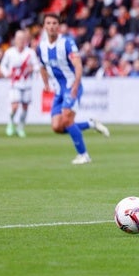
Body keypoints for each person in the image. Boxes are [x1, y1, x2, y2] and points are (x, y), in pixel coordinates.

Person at [37, 13, 110, 165]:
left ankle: (84, 155)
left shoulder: (67, 43)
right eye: (48, 23)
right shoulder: (41, 47)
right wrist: (46, 84)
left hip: (71, 86)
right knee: (57, 127)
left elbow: (78, 65)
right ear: (44, 26)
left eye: (54, 23)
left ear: (59, 26)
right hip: (58, 90)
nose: (51, 26)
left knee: (66, 118)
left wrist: (76, 85)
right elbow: (42, 66)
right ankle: (90, 124)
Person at [0, 30, 40, 137]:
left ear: (26, 40)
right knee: (15, 106)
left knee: (25, 107)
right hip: (15, 83)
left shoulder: (30, 53)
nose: (21, 41)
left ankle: (20, 127)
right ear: (15, 40)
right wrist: (6, 73)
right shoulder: (10, 52)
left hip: (26, 83)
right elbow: (3, 65)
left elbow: (37, 66)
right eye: (19, 39)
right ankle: (11, 122)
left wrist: (32, 69)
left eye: (23, 39)